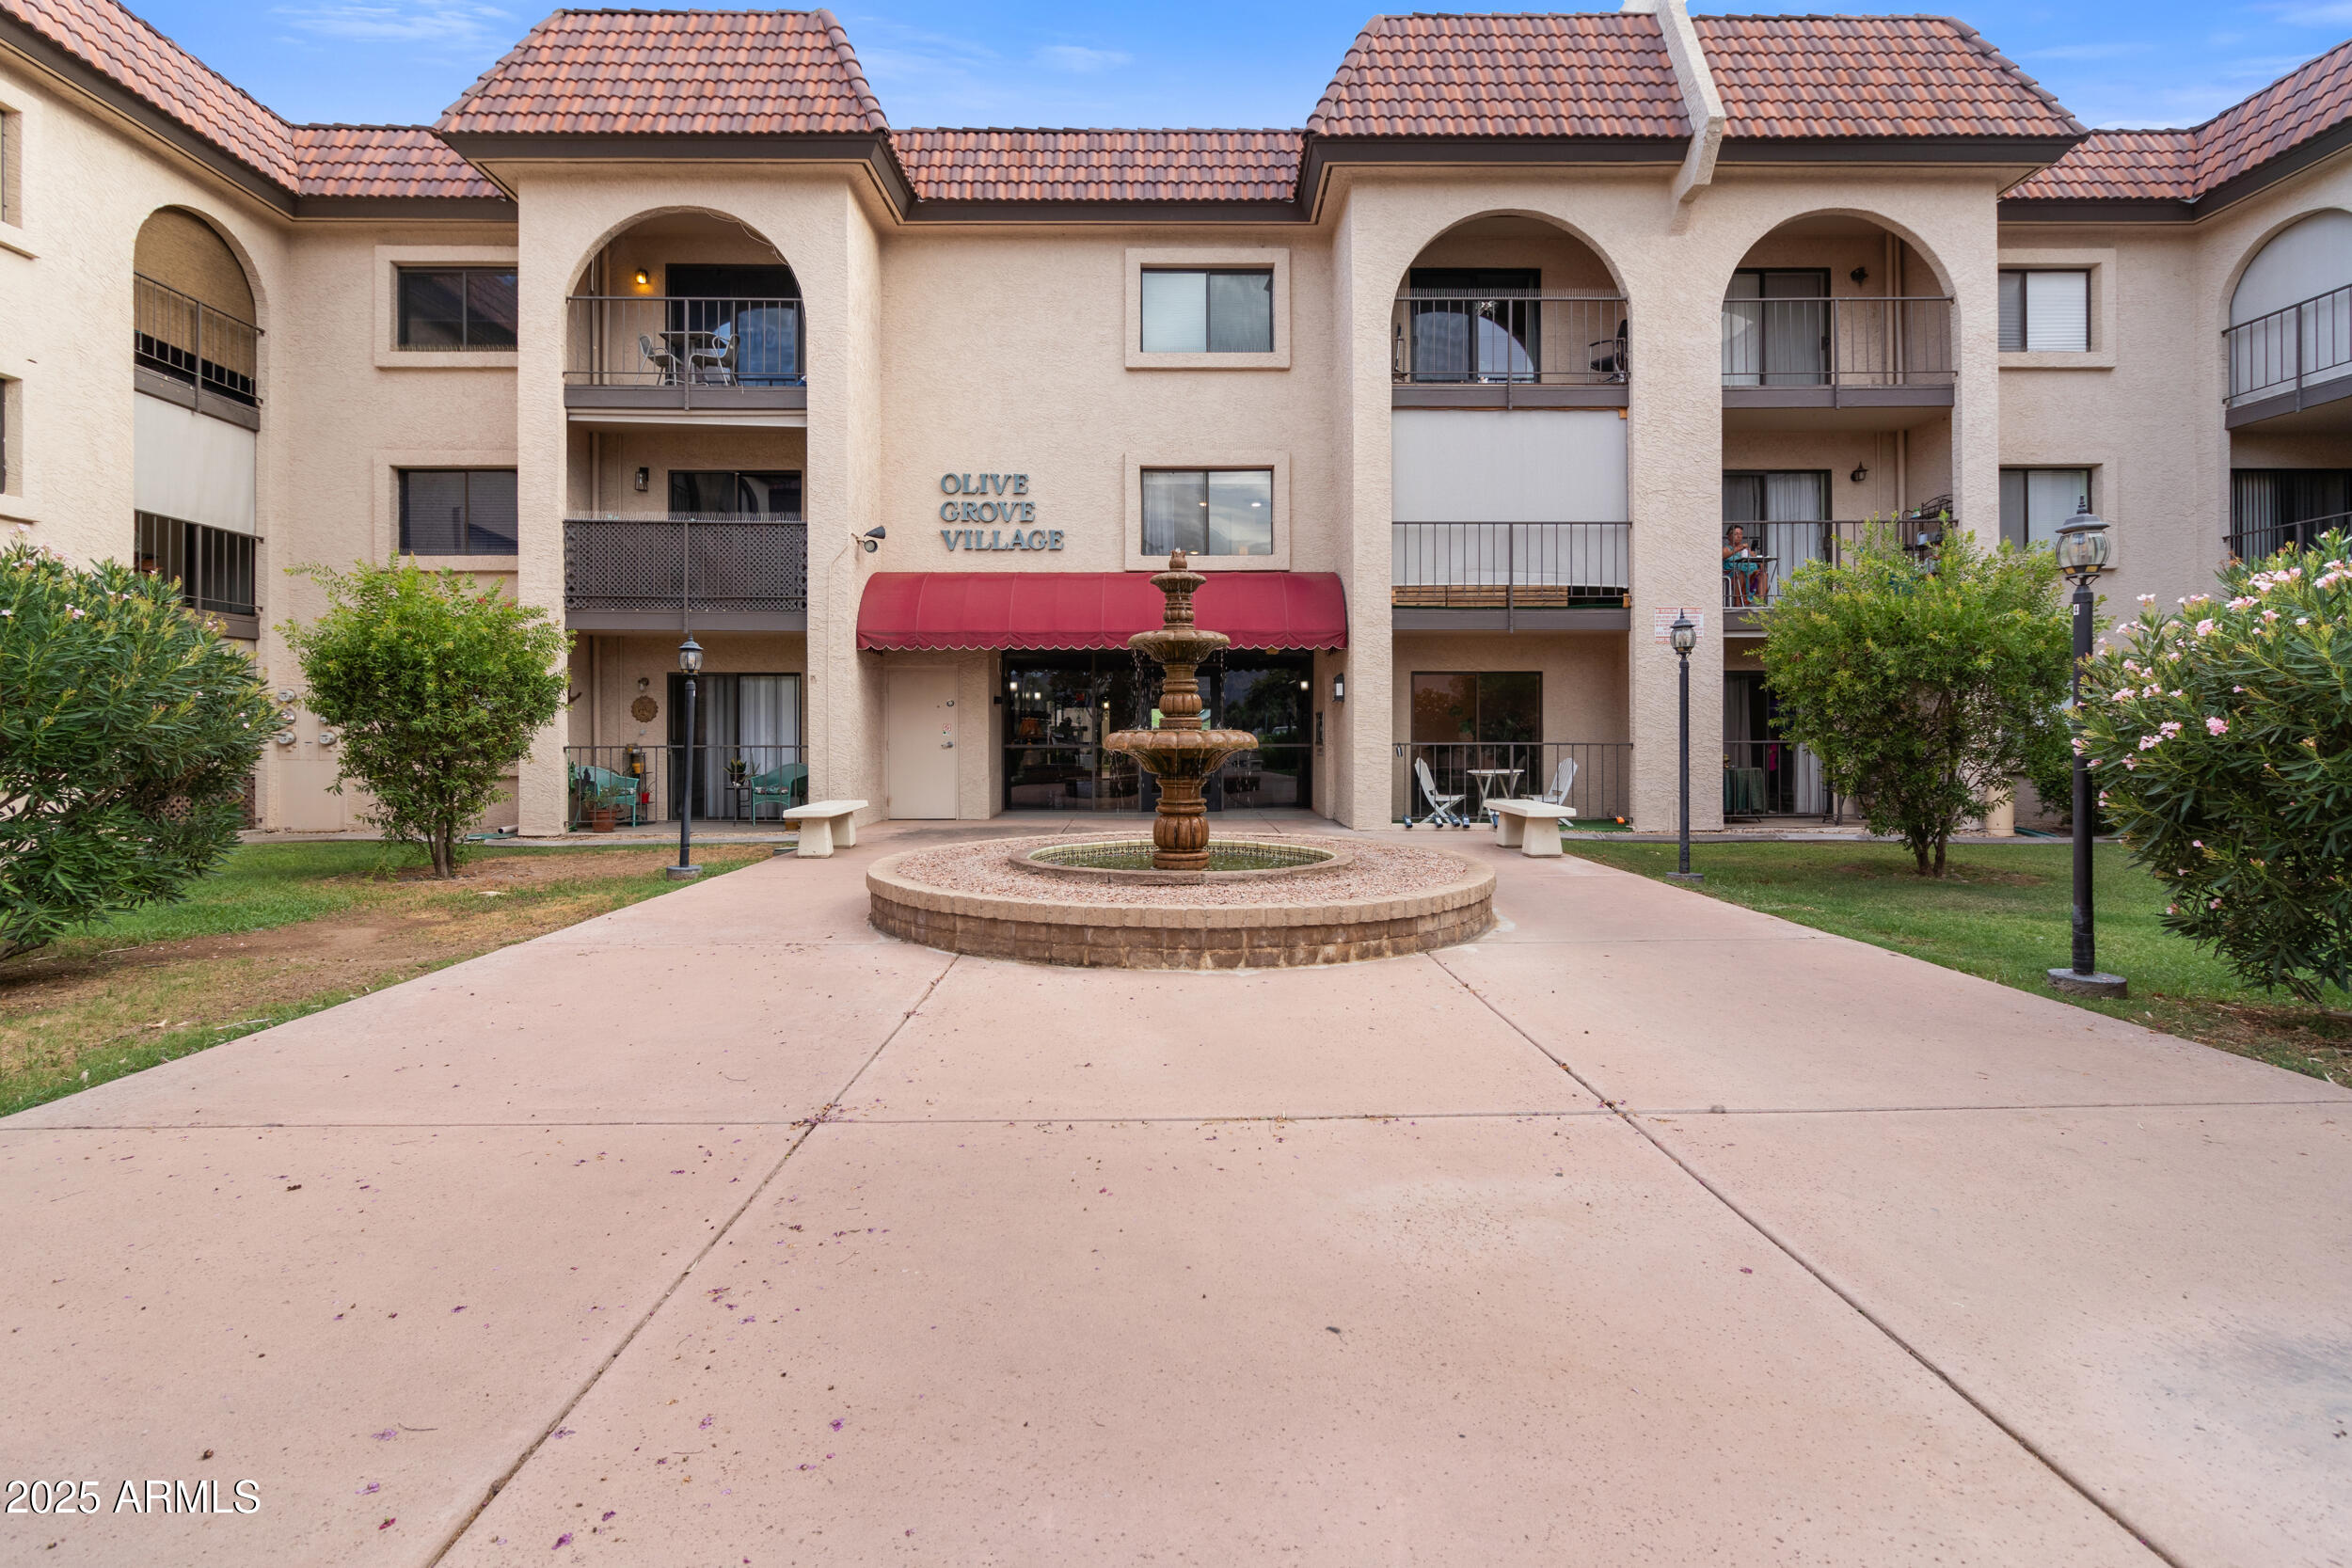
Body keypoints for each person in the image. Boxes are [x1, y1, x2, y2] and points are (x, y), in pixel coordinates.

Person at [1723, 524, 1765, 606]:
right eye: (1736, 534)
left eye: (1741, 534)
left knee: (1762, 574)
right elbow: (1723, 555)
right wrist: (1739, 548)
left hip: (1749, 573)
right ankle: (1737, 601)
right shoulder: (1726, 549)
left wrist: (1754, 556)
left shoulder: (1746, 549)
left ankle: (1761, 603)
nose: (1739, 536)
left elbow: (1760, 563)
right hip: (1732, 574)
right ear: (1729, 536)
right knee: (1740, 573)